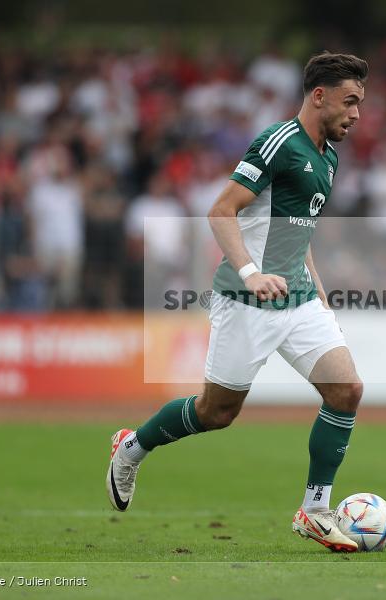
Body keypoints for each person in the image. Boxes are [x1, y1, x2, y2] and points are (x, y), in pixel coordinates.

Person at [106, 52, 368, 552]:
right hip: (246, 301)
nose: (357, 114)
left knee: (347, 391)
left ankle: (314, 511)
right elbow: (221, 210)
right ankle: (131, 447)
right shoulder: (279, 142)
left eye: (360, 104)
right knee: (216, 412)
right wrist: (251, 274)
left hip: (299, 301)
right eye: (350, 101)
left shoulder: (328, 156)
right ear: (319, 96)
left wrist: (318, 287)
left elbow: (298, 231)